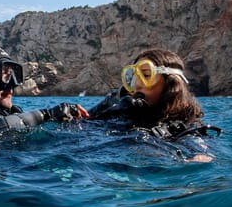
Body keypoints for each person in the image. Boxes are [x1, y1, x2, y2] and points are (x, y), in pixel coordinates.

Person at [88, 48, 218, 142]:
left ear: (171, 83)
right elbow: (86, 122)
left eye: (146, 75)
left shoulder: (186, 125)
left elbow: (199, 150)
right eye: (133, 78)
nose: (137, 85)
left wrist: (199, 155)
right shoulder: (120, 111)